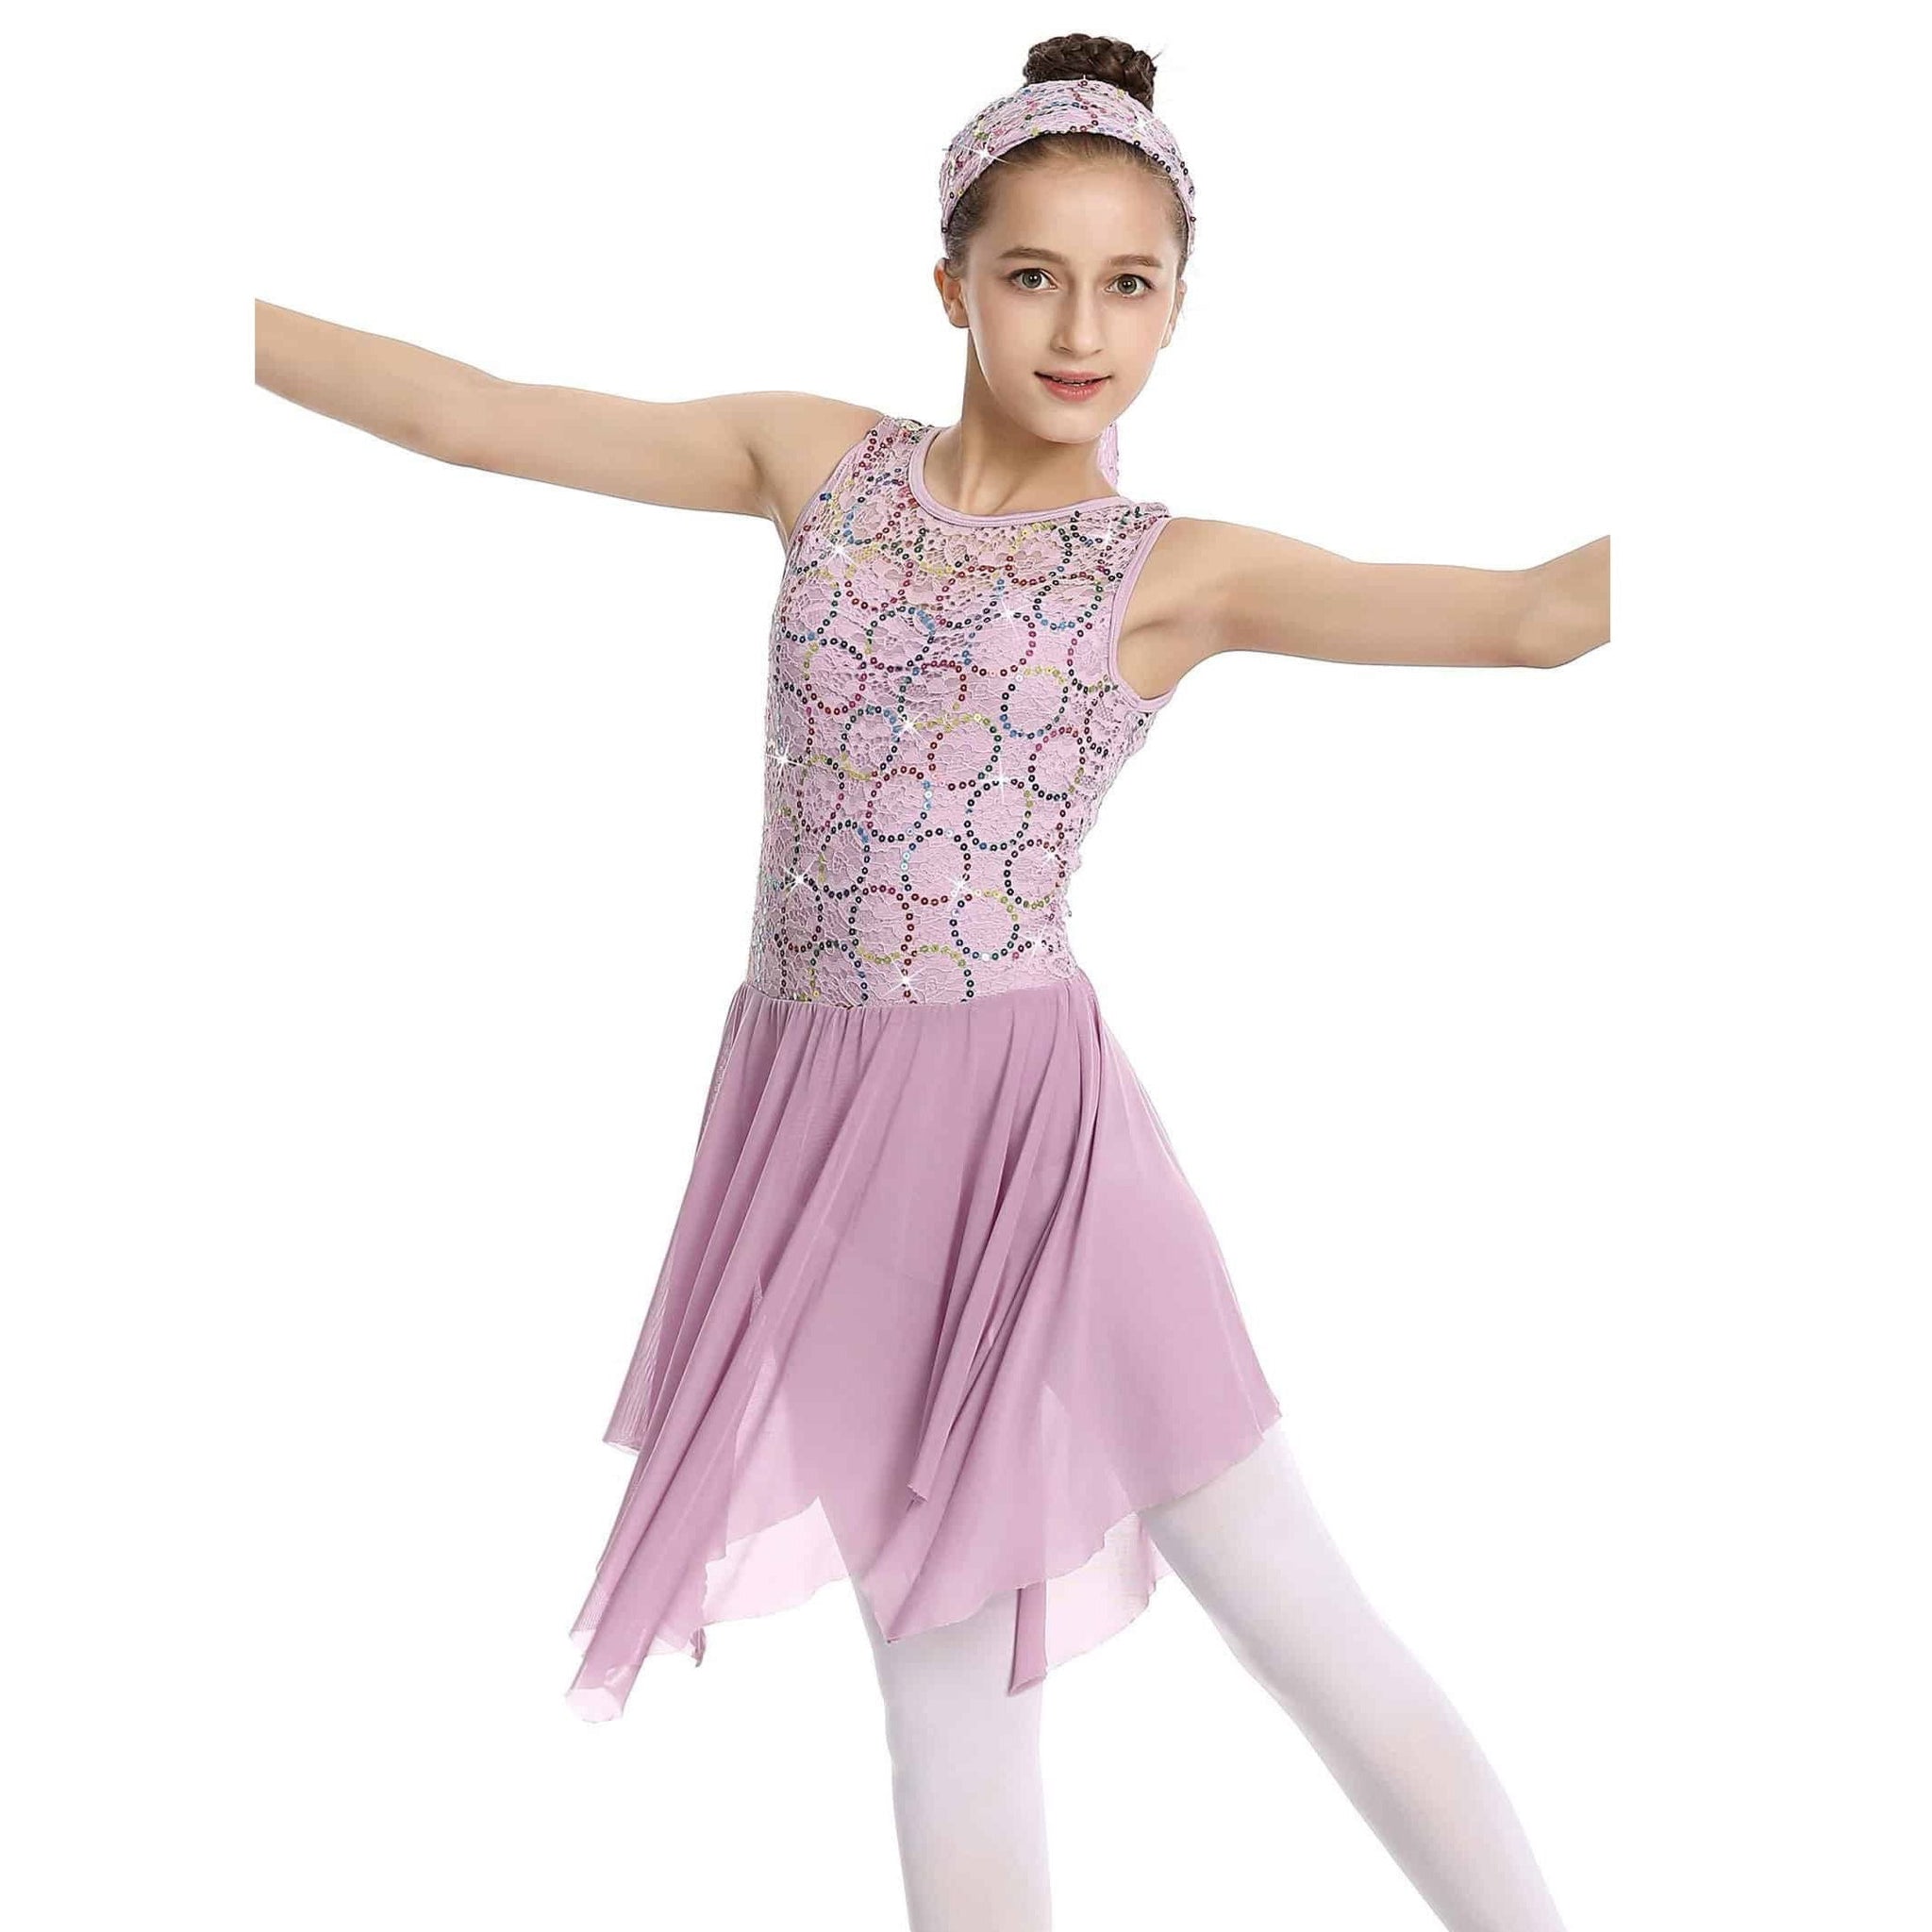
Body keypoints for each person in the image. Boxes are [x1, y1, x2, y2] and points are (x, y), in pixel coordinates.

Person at [256, 30, 1605, 1932]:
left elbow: (1537, 617)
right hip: (822, 1140)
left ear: (1179, 309)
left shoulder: (1172, 570)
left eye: (1130, 284)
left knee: (1294, 1610)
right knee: (942, 1699)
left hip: (1038, 1150)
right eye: (1034, 274)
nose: (1081, 328)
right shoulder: (812, 463)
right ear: (952, 282)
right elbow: (468, 412)